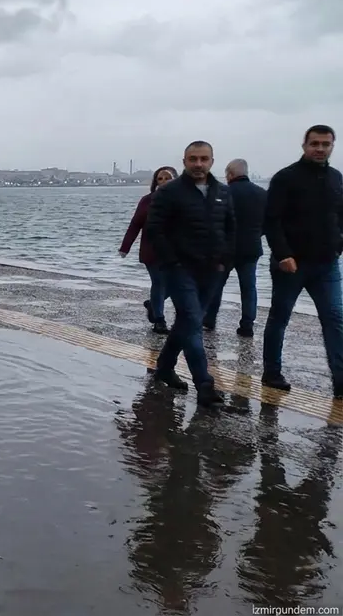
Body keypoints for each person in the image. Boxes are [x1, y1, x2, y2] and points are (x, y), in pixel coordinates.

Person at [144, 140, 234, 408]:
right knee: (193, 320)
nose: (198, 164)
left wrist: (225, 261)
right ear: (184, 161)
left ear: (212, 161)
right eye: (193, 159)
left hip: (212, 270)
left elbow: (231, 228)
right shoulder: (170, 192)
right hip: (180, 269)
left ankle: (164, 366)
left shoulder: (222, 193)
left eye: (203, 159)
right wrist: (172, 261)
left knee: (187, 322)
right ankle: (204, 384)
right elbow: (154, 229)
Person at [261, 124, 343, 398]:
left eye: (326, 144)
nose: (320, 149)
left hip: (326, 264)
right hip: (291, 264)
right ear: (305, 145)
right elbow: (271, 220)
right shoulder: (286, 178)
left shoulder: (335, 178)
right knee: (279, 318)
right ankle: (272, 372)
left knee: (335, 319)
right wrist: (283, 254)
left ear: (332, 146)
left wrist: (338, 246)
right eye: (315, 143)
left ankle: (341, 382)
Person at [203, 159, 266, 335]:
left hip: (225, 249)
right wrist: (256, 235)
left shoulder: (223, 193)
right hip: (251, 248)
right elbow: (270, 222)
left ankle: (209, 319)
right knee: (249, 287)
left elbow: (214, 222)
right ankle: (247, 324)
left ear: (230, 174)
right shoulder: (262, 194)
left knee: (216, 285)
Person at [119, 166, 176, 334]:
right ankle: (159, 320)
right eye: (160, 179)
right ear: (155, 182)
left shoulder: (182, 200)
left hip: (175, 252)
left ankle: (153, 304)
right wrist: (125, 247)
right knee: (158, 283)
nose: (164, 181)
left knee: (174, 285)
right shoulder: (147, 201)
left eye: (168, 178)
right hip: (152, 251)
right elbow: (135, 224)